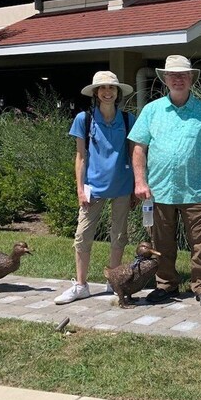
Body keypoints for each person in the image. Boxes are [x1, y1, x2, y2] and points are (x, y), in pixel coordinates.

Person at [128, 55, 201, 308]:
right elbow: (139, 148)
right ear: (165, 79)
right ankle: (166, 284)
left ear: (191, 78)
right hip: (159, 191)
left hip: (195, 190)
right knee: (161, 243)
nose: (178, 79)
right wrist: (140, 181)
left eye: (183, 74)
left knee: (200, 242)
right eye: (173, 75)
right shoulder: (152, 110)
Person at [54, 71, 135, 304]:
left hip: (122, 186)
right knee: (82, 235)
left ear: (117, 93)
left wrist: (137, 186)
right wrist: (80, 189)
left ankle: (114, 280)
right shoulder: (84, 119)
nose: (108, 92)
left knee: (119, 236)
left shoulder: (129, 120)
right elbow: (80, 156)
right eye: (103, 89)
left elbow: (135, 154)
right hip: (93, 188)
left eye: (112, 88)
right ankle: (81, 285)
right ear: (96, 93)